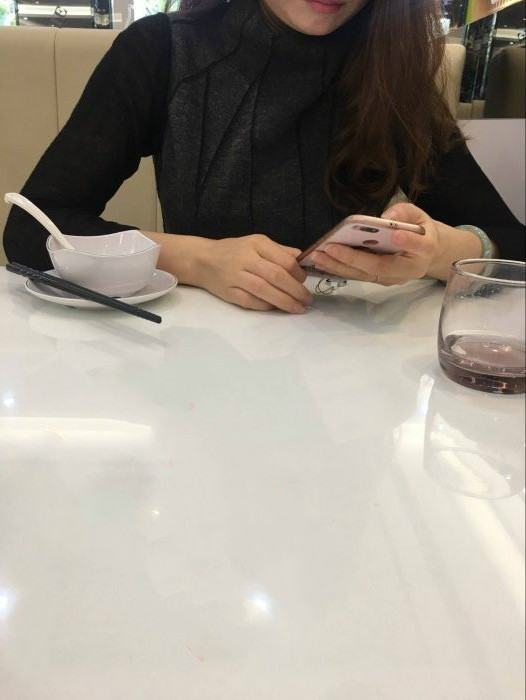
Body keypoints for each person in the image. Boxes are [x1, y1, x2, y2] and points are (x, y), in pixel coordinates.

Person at [3, 0, 525, 313]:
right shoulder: (163, 51)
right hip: (198, 370)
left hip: (351, 385)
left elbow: (514, 247)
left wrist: (437, 254)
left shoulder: (391, 70)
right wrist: (198, 259)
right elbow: (29, 230)